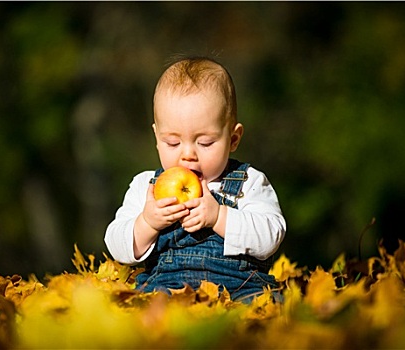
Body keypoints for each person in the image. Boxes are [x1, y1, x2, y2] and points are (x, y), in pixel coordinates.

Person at [104, 56, 286, 302]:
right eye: (173, 142)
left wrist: (219, 216)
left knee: (274, 305)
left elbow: (271, 235)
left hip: (240, 291)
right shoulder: (146, 187)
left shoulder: (248, 182)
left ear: (233, 138)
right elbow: (116, 245)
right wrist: (147, 223)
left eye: (205, 142)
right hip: (167, 289)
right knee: (144, 307)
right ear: (157, 138)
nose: (188, 154)